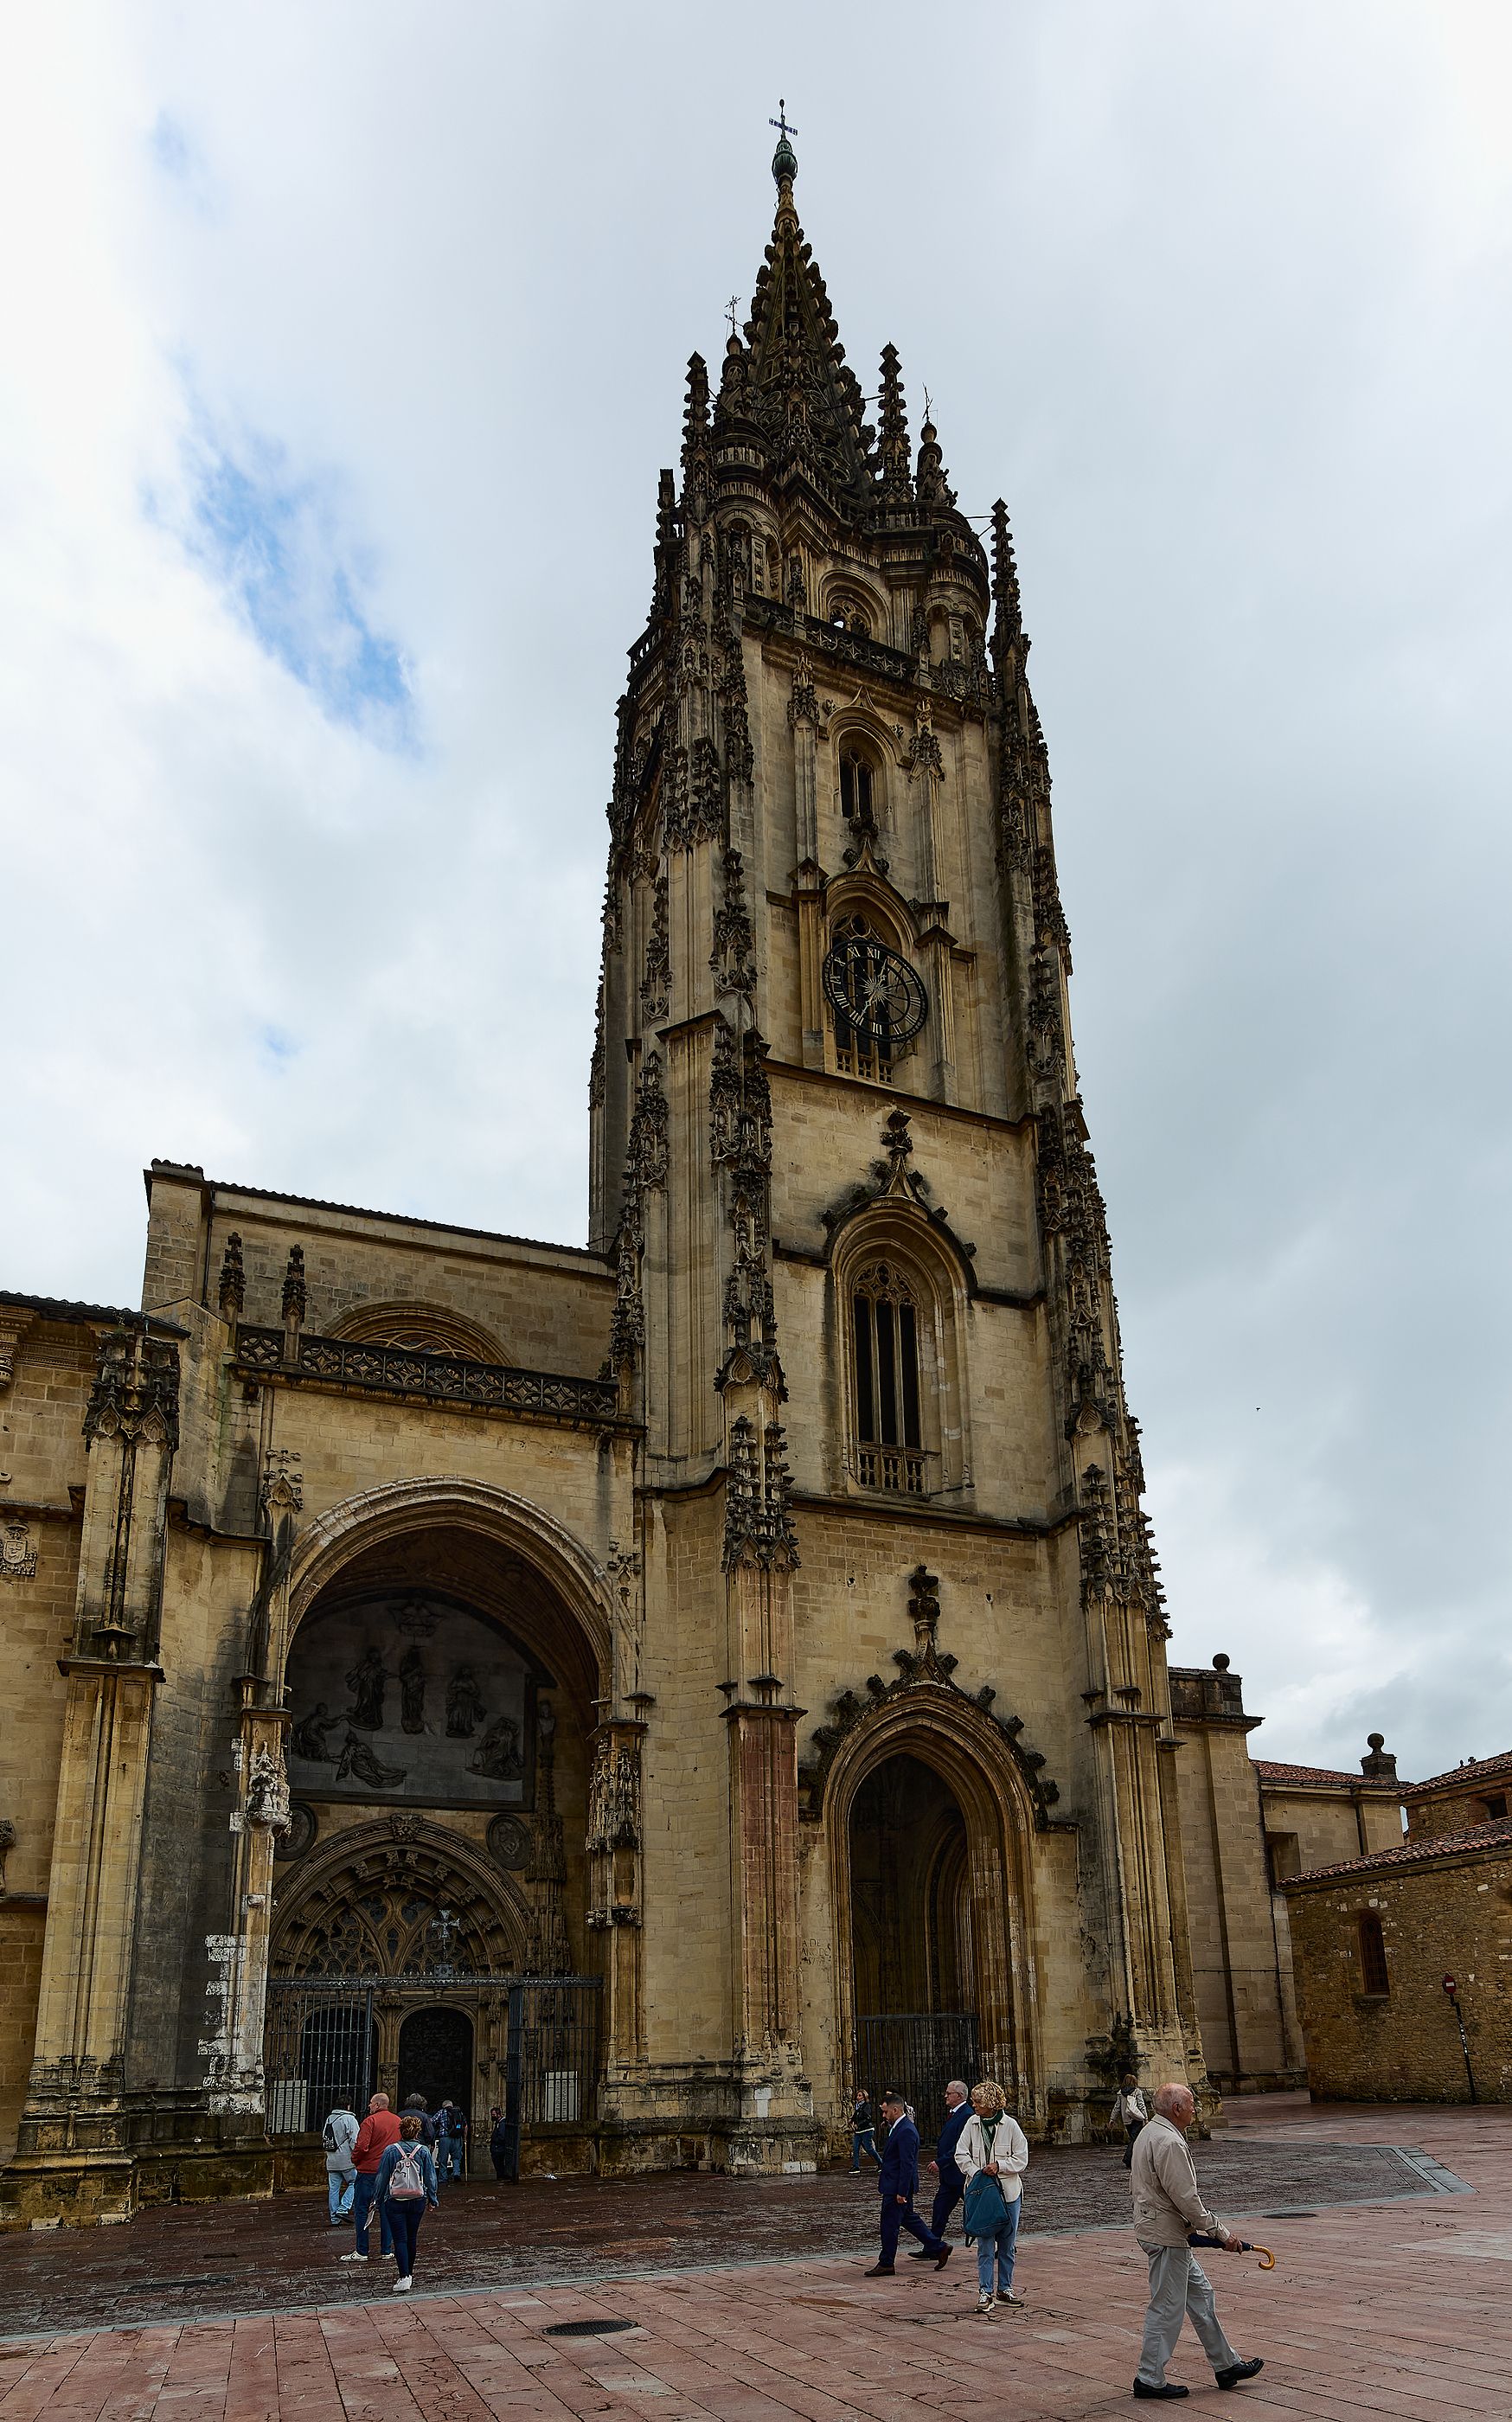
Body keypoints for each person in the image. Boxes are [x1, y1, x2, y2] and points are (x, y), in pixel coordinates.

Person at [1130, 2083, 1265, 2400]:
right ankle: (1149, 2378)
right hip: (1166, 2236)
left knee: (1201, 2297)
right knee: (1166, 2307)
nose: (1195, 2109)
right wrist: (1222, 2233)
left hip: (1164, 2230)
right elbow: (1187, 2199)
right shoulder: (1168, 2142)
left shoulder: (1149, 2133)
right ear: (1176, 2109)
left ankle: (1226, 2364)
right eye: (1191, 2104)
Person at [955, 2078, 1030, 2314]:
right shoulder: (971, 2123)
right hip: (980, 2193)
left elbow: (1022, 2158)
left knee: (1008, 2245)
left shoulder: (1010, 2126)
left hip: (1008, 2193)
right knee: (985, 2245)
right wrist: (975, 2172)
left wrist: (1000, 2165)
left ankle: (1005, 2288)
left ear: (990, 2103)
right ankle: (985, 2291)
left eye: (977, 2101)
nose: (973, 2105)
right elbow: (960, 2153)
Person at [863, 2090, 952, 2277]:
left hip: (897, 2186)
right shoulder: (899, 2127)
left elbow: (907, 2164)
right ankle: (939, 2247)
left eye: (885, 2112)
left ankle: (886, 2262)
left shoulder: (906, 2131)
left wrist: (902, 2191)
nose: (883, 2115)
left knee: (889, 2225)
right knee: (909, 2220)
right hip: (895, 2184)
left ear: (896, 2110)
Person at [373, 2112, 439, 2293]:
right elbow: (431, 2178)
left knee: (399, 2238)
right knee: (412, 2237)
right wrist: (432, 2199)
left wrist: (378, 2200)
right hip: (417, 2199)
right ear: (417, 2132)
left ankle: (404, 2276)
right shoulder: (424, 2151)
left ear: (400, 2131)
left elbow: (381, 2178)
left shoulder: (391, 2151)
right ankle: (409, 2273)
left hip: (395, 2199)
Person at [341, 2092, 401, 2265]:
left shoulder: (370, 2121)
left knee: (361, 2210)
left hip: (368, 2172)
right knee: (386, 2211)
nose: (368, 2106)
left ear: (376, 2105)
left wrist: (355, 2160)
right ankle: (386, 2250)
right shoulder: (397, 2121)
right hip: (389, 2172)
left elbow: (361, 2146)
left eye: (370, 2103)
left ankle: (362, 2250)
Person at [913, 2079, 970, 2252]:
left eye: (949, 2093)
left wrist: (941, 2162)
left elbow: (960, 2146)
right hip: (950, 2177)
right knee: (939, 2210)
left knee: (978, 2211)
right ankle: (933, 2247)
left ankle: (1005, 2243)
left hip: (960, 2174)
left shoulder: (966, 2114)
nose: (945, 2096)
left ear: (959, 2096)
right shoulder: (955, 2113)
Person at [322, 2098, 359, 2226]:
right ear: (348, 2106)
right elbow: (355, 2140)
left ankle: (334, 2218)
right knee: (355, 2182)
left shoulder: (329, 2119)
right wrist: (357, 2156)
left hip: (331, 2160)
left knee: (333, 2189)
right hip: (346, 2159)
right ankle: (343, 2208)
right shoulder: (350, 2119)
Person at [1111, 2073, 1149, 2169]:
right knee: (1134, 2139)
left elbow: (1117, 2107)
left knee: (1133, 2139)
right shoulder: (1137, 2092)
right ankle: (1128, 2159)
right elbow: (1141, 2105)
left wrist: (1112, 2119)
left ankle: (1133, 2159)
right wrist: (1145, 2117)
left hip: (1126, 2119)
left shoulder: (1120, 2093)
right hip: (1136, 2118)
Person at [850, 2086, 881, 2174]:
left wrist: (858, 2124)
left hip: (866, 2130)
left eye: (860, 2096)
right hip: (858, 2131)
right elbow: (856, 2116)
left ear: (864, 2097)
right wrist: (852, 2121)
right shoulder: (857, 2107)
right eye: (857, 2096)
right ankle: (856, 2166)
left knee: (869, 2148)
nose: (858, 2097)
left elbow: (867, 2118)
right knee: (855, 2148)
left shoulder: (866, 2106)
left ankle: (881, 2163)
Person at [489, 2106, 509, 2181]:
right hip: (497, 2148)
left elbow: (501, 2137)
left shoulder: (502, 2124)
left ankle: (501, 2178)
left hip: (499, 2149)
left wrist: (494, 2140)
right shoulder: (498, 2123)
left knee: (499, 2165)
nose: (492, 2116)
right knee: (498, 2165)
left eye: (494, 2115)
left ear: (498, 2114)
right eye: (492, 2114)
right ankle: (500, 2178)